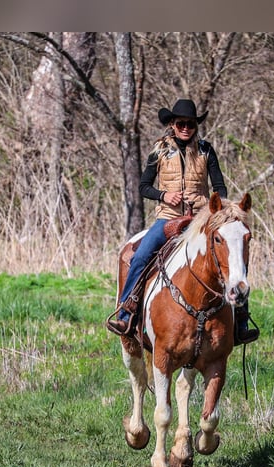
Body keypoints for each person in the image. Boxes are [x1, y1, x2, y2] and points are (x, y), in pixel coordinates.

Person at [106, 98, 258, 345]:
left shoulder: (207, 151)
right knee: (141, 255)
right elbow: (143, 186)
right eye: (181, 124)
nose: (186, 128)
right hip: (168, 217)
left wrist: (211, 202)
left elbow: (219, 186)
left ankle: (241, 320)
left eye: (190, 124)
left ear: (196, 126)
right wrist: (164, 195)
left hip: (200, 218)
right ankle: (126, 312)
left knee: (234, 253)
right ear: (172, 125)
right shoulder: (159, 151)